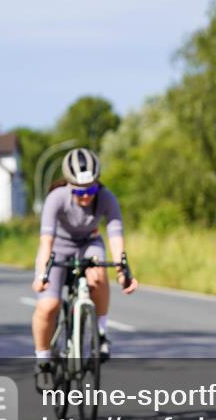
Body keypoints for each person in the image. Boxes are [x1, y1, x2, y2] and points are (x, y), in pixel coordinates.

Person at [30, 148, 138, 390]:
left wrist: (123, 271)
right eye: (80, 191)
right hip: (58, 246)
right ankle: (43, 362)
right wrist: (41, 275)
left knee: (99, 275)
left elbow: (116, 236)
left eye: (91, 189)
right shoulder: (56, 198)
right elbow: (46, 241)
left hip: (89, 243)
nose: (86, 196)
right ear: (69, 186)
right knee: (48, 305)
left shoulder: (107, 197)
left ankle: (100, 335)